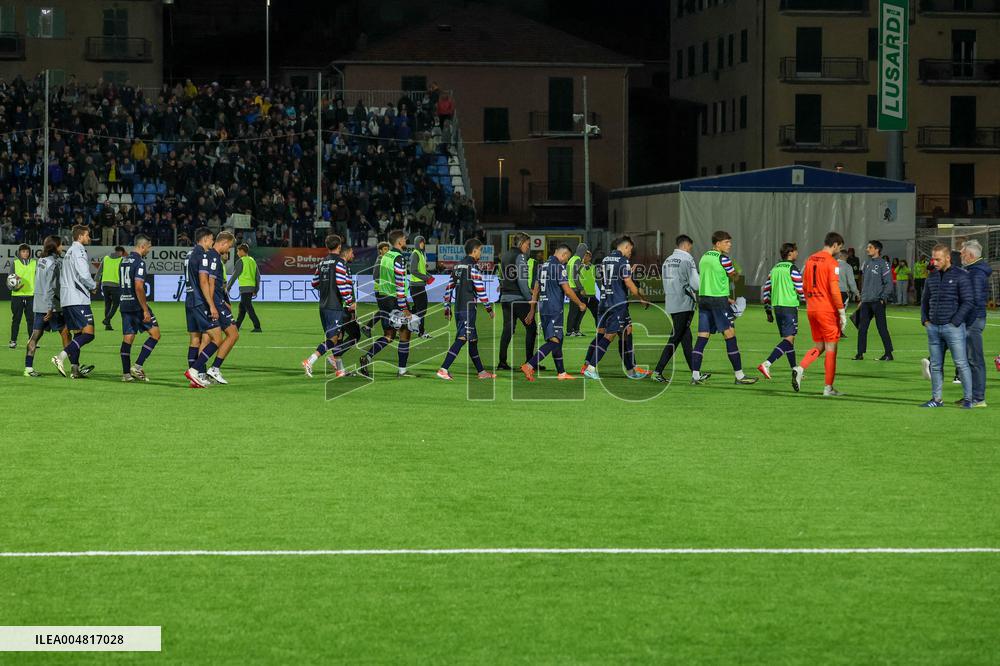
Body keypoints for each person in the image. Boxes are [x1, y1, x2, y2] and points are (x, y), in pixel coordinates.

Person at [687, 231, 757, 385]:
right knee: (730, 335)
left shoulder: (704, 257)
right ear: (717, 244)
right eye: (726, 242)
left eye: (729, 242)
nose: (729, 245)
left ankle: (695, 376)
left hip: (704, 299)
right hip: (718, 302)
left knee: (702, 336)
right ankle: (739, 376)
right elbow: (734, 276)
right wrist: (735, 274)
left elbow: (711, 279)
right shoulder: (723, 258)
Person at [581, 236, 651, 381]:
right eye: (630, 250)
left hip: (604, 302)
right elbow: (629, 283)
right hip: (617, 304)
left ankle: (631, 370)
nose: (631, 253)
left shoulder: (605, 259)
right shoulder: (623, 261)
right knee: (609, 336)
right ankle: (591, 367)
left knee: (626, 332)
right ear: (625, 247)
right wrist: (641, 298)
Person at [520, 244, 585, 382]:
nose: (566, 262)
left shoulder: (542, 266)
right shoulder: (559, 267)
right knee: (554, 342)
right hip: (554, 308)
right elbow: (567, 290)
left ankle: (561, 372)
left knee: (557, 340)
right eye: (567, 259)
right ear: (564, 255)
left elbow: (535, 290)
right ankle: (529, 364)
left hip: (543, 308)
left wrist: (532, 311)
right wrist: (580, 303)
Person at [919, 244, 974, 408]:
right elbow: (924, 301)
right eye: (933, 258)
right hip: (933, 328)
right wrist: (925, 320)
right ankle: (936, 399)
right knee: (935, 365)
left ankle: (968, 399)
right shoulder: (932, 277)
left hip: (953, 328)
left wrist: (955, 322)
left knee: (961, 364)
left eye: (938, 259)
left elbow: (968, 302)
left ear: (948, 258)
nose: (934, 262)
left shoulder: (961, 276)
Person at [793, 233, 847, 396]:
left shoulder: (810, 259)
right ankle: (828, 388)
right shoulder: (832, 262)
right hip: (827, 310)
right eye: (840, 247)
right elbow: (834, 290)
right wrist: (841, 311)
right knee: (832, 347)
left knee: (820, 345)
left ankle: (800, 368)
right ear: (835, 245)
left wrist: (811, 301)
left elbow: (804, 284)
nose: (840, 251)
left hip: (812, 309)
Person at [437, 238, 496, 380]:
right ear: (474, 250)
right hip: (468, 309)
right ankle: (443, 369)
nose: (480, 254)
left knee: (473, 340)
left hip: (458, 307)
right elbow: (480, 289)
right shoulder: (473, 267)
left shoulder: (457, 267)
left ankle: (481, 372)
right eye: (480, 250)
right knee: (462, 338)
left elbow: (449, 287)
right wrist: (488, 308)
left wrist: (447, 307)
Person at [359, 229, 414, 378]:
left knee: (389, 335)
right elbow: (400, 283)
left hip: (383, 299)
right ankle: (402, 370)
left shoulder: (385, 256)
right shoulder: (399, 258)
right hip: (394, 299)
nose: (405, 240)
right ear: (399, 242)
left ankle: (367, 357)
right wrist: (404, 307)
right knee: (405, 333)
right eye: (404, 238)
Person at [302, 234, 354, 378]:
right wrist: (350, 302)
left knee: (336, 337)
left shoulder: (322, 262)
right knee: (333, 339)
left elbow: (314, 283)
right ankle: (310, 360)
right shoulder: (340, 263)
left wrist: (326, 288)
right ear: (339, 246)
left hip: (323, 305)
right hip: (334, 306)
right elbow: (341, 284)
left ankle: (340, 370)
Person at [652, 235, 699, 383]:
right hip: (684, 303)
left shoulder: (667, 260)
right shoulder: (687, 259)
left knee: (686, 339)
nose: (690, 250)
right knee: (676, 338)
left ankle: (695, 374)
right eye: (690, 247)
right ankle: (657, 371)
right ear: (686, 246)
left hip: (672, 302)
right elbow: (696, 284)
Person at [52, 225, 97, 379]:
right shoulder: (79, 251)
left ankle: (75, 369)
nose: (89, 238)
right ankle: (60, 357)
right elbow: (84, 274)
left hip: (67, 300)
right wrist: (93, 286)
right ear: (80, 237)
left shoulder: (69, 252)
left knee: (78, 335)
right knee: (89, 334)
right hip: (78, 299)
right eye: (87, 235)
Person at [757, 242, 804, 384]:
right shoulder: (792, 268)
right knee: (788, 340)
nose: (797, 253)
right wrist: (806, 300)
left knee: (789, 339)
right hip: (789, 307)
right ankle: (767, 364)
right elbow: (800, 289)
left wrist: (768, 310)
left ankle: (795, 369)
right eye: (796, 251)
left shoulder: (775, 269)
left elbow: (766, 290)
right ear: (790, 253)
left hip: (777, 307)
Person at [183, 227, 223, 388]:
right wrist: (211, 305)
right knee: (217, 338)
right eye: (212, 239)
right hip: (200, 301)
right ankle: (194, 370)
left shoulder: (188, 254)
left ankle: (195, 379)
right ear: (205, 239)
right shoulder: (203, 255)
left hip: (189, 300)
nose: (212, 242)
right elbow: (204, 281)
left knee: (195, 339)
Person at [23, 236, 69, 377]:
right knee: (66, 333)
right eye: (61, 245)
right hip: (51, 306)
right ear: (55, 247)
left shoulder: (41, 261)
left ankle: (28, 368)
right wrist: (50, 307)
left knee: (35, 336)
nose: (62, 248)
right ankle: (74, 366)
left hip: (39, 304)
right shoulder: (54, 263)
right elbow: (50, 286)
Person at [118, 235, 160, 382]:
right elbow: (138, 287)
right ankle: (137, 366)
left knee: (128, 338)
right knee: (155, 334)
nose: (149, 250)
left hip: (124, 303)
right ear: (143, 246)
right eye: (149, 247)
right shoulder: (139, 262)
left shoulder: (123, 261)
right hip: (137, 306)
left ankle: (126, 374)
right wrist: (145, 309)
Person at [199, 231, 239, 384]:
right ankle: (214, 369)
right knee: (233, 334)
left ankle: (201, 374)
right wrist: (213, 305)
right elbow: (209, 283)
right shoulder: (215, 258)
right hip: (214, 302)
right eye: (228, 246)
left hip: (216, 301)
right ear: (223, 243)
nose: (228, 250)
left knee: (207, 337)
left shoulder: (208, 256)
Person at [496, 233, 538, 371]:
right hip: (518, 299)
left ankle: (502, 362)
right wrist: (530, 299)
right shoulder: (520, 257)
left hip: (505, 298)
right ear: (521, 244)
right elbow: (522, 281)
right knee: (531, 328)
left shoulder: (505, 256)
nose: (528, 247)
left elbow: (502, 277)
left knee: (507, 330)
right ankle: (529, 363)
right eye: (527, 244)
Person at [961, 240, 991, 408]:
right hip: (972, 320)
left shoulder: (975, 274)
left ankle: (978, 398)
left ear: (971, 256)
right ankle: (971, 395)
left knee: (975, 359)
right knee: (969, 359)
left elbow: (974, 300)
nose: (961, 256)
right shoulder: (973, 272)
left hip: (972, 320)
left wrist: (965, 320)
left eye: (963, 253)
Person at [854, 240, 894, 361]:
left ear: (877, 249)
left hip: (878, 301)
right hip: (866, 301)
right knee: (862, 328)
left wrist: (883, 298)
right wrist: (862, 298)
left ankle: (888, 353)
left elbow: (889, 283)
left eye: (870, 247)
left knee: (881, 328)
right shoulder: (866, 263)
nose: (867, 249)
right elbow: (865, 282)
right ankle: (860, 353)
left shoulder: (884, 264)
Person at [227, 243, 262, 332]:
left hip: (245, 287)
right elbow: (257, 276)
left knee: (248, 307)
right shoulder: (252, 261)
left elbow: (234, 275)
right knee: (242, 307)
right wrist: (256, 289)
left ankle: (257, 326)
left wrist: (228, 287)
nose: (237, 253)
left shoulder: (241, 261)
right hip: (251, 287)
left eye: (238, 251)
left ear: (242, 251)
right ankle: (237, 326)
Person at [565, 244, 597, 336]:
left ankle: (575, 330)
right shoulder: (577, 260)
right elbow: (576, 277)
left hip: (571, 288)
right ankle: (570, 331)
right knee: (575, 311)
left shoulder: (571, 259)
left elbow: (568, 274)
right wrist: (581, 288)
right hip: (575, 289)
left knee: (577, 310)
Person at [8, 243, 35, 348]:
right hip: (17, 296)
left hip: (31, 295)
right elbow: (10, 280)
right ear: (19, 253)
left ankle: (31, 341)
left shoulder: (34, 263)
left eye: (27, 251)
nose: (26, 253)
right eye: (23, 251)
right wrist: (15, 287)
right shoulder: (15, 263)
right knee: (16, 319)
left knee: (31, 320)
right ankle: (13, 341)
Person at [408, 235, 434, 339]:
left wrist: (429, 276)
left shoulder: (420, 254)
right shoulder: (416, 254)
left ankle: (403, 327)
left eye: (424, 242)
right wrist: (426, 278)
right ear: (417, 243)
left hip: (418, 286)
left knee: (417, 310)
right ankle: (421, 332)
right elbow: (413, 270)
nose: (423, 244)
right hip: (417, 287)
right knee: (422, 310)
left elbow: (421, 270)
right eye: (422, 242)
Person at [97, 245, 126, 330]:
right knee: (116, 304)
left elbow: (99, 271)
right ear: (120, 252)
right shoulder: (121, 260)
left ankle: (108, 325)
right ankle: (107, 320)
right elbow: (123, 274)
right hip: (115, 285)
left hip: (105, 284)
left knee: (107, 304)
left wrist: (96, 283)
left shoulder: (106, 258)